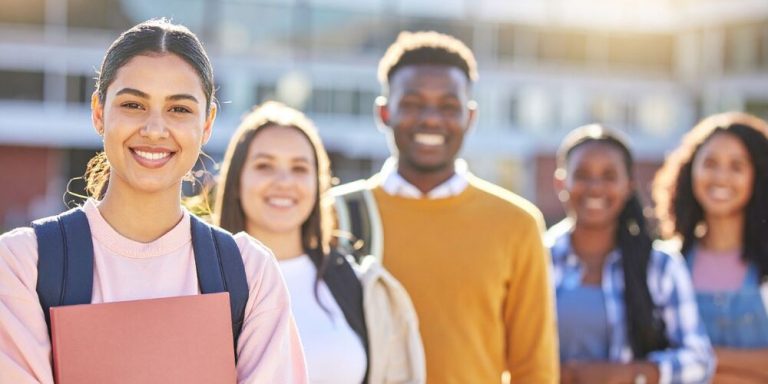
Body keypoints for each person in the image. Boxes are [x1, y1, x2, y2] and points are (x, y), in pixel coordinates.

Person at [0, 19, 307, 383]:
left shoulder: (249, 272)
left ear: (207, 124)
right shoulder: (23, 265)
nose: (155, 129)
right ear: (99, 112)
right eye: (133, 104)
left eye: (179, 109)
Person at [332, 31, 558, 383]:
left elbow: (535, 367)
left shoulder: (518, 224)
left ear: (470, 117)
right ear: (384, 112)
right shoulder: (335, 214)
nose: (431, 119)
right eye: (413, 103)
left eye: (448, 106)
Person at [213, 101, 425, 384]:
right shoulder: (199, 276)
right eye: (265, 166)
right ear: (237, 181)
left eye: (300, 168)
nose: (284, 181)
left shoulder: (356, 282)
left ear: (318, 183)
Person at [548, 124, 714, 384]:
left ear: (629, 185)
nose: (595, 187)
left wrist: (629, 374)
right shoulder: (536, 258)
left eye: (609, 175)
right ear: (561, 182)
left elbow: (699, 360)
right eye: (582, 174)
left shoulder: (660, 266)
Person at [653, 112, 768, 383]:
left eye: (737, 166)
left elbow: (671, 364)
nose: (721, 177)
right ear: (690, 170)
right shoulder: (665, 262)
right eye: (710, 163)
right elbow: (651, 359)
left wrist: (698, 360)